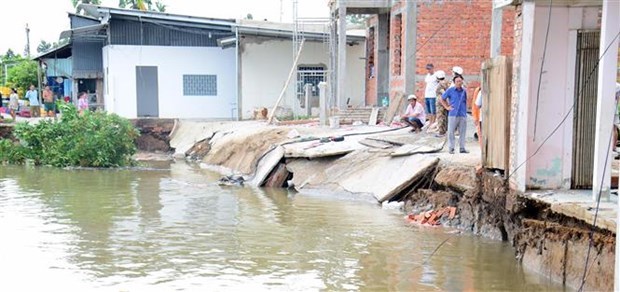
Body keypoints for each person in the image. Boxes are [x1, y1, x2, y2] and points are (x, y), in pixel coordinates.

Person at [440, 75, 468, 154]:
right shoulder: (450, 90)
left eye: (460, 81)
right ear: (454, 82)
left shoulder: (464, 91)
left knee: (462, 132)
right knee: (451, 132)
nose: (459, 83)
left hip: (462, 114)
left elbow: (465, 101)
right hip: (453, 114)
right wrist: (447, 107)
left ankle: (462, 148)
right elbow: (442, 99)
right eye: (457, 81)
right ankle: (451, 148)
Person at [433, 70, 450, 137]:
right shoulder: (447, 82)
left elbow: (444, 93)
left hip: (441, 104)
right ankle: (445, 131)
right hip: (446, 103)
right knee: (445, 117)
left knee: (440, 117)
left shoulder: (440, 84)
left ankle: (441, 132)